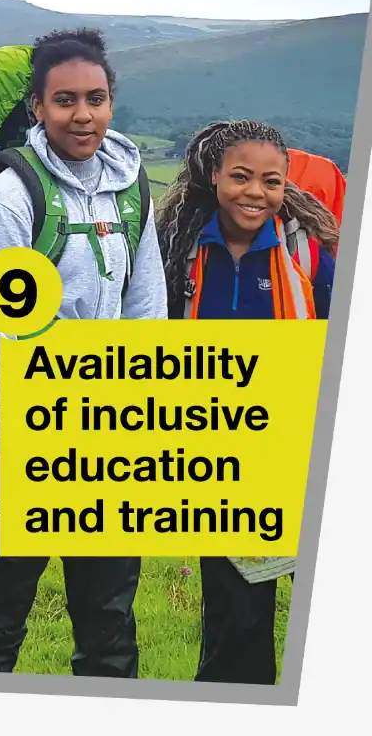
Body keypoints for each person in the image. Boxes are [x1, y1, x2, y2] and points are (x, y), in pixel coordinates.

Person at [0, 28, 167, 676]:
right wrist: (22, 457)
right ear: (37, 107)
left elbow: (145, 310)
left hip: (104, 425)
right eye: (65, 99)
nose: (83, 114)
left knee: (108, 621)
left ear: (111, 101)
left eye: (96, 98)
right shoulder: (14, 198)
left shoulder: (133, 190)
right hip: (21, 427)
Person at [155, 119, 337, 684]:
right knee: (235, 615)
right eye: (240, 177)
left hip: (299, 450)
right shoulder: (179, 249)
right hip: (219, 459)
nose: (256, 193)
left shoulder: (305, 252)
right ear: (215, 176)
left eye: (271, 181)